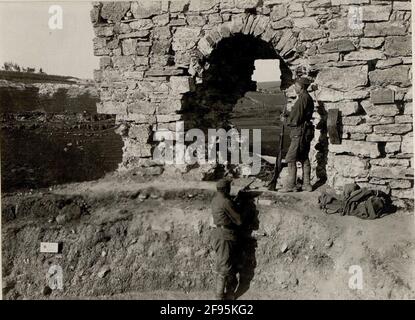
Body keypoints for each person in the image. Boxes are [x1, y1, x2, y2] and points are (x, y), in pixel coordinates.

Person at [279, 77, 315, 192]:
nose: (294, 87)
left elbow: (294, 120)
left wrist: (284, 120)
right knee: (304, 157)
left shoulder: (301, 100)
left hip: (299, 132)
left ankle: (291, 186)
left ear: (301, 87)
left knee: (290, 158)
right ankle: (307, 184)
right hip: (306, 132)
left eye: (296, 86)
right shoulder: (308, 98)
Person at [210, 178, 242, 300]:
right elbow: (238, 221)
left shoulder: (215, 200)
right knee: (225, 266)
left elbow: (224, 210)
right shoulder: (226, 202)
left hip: (218, 233)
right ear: (225, 189)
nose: (230, 190)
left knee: (222, 263)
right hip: (226, 236)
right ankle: (220, 296)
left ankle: (222, 294)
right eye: (228, 188)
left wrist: (233, 201)